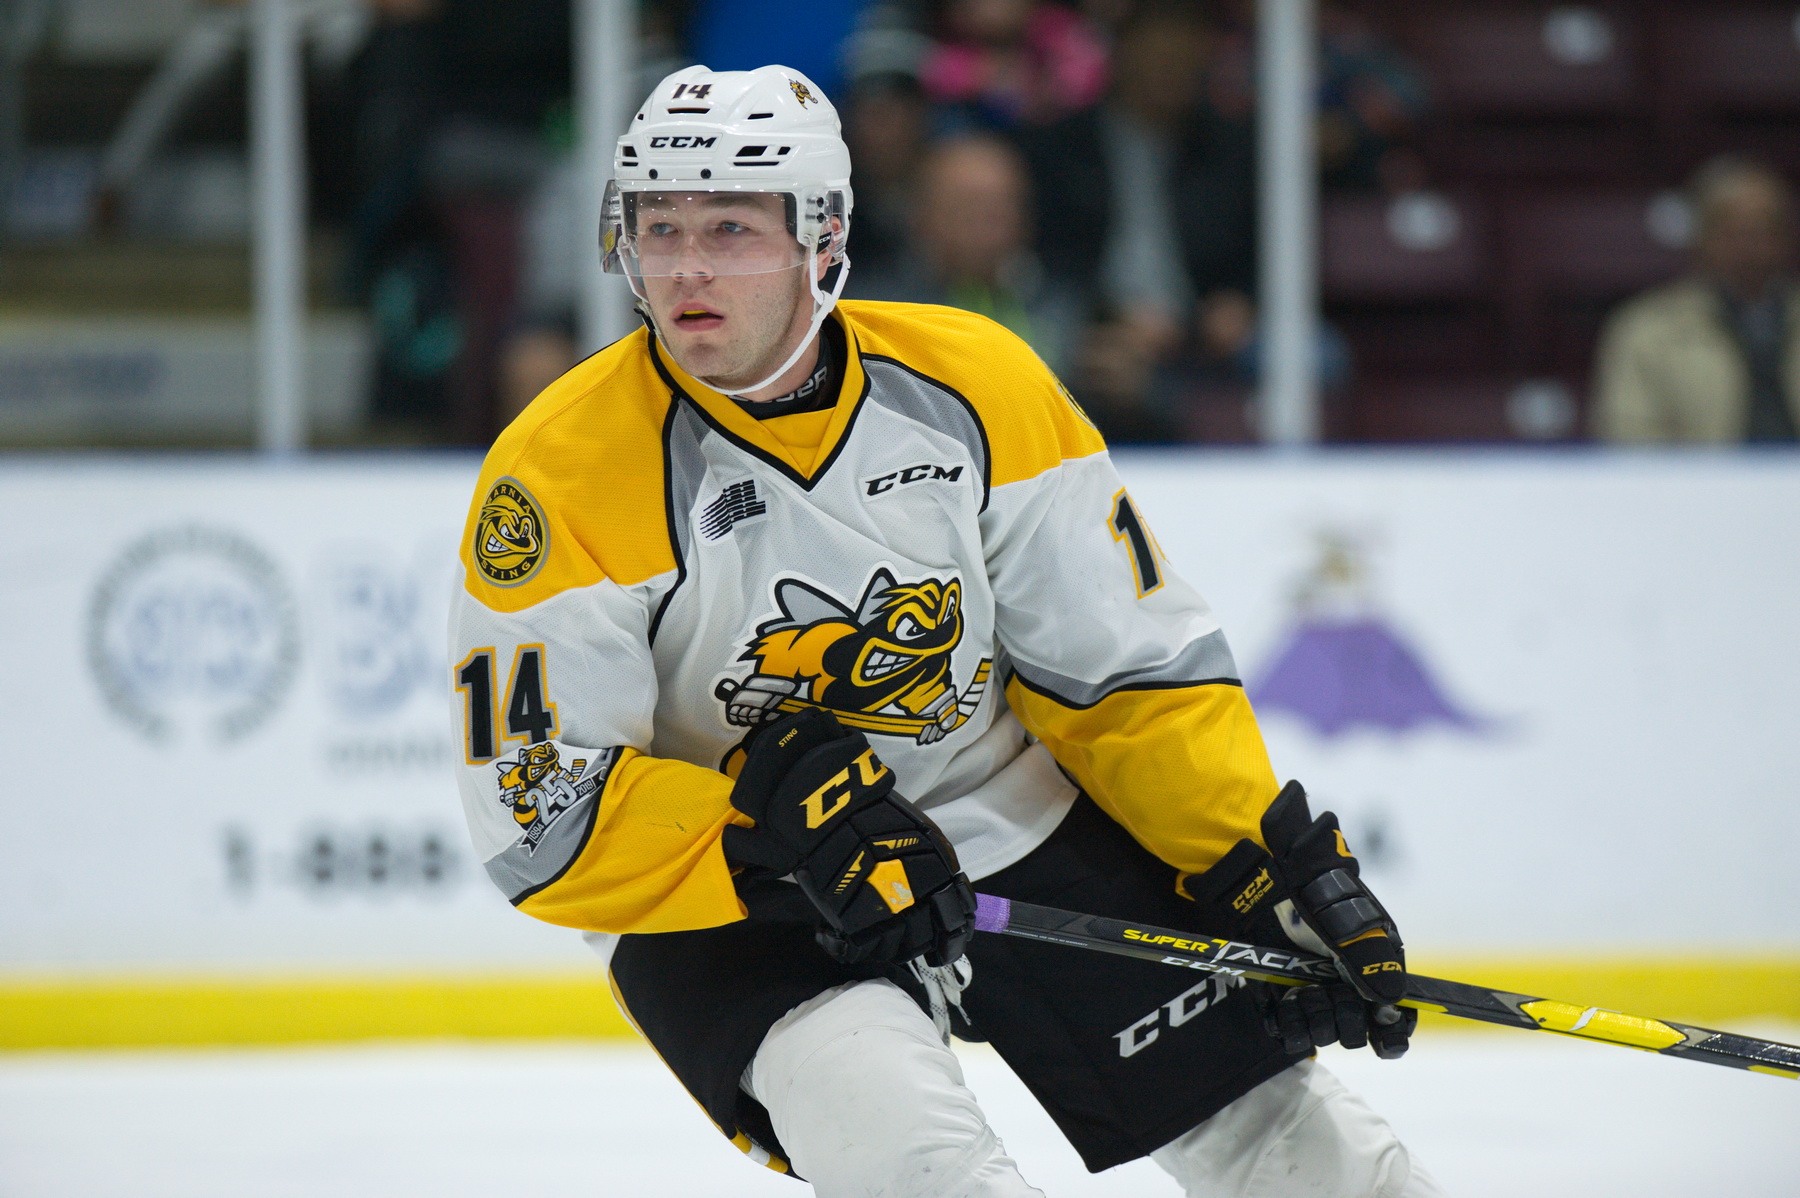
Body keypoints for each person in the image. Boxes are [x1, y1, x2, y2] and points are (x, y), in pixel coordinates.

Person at [450, 64, 1445, 1196]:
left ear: (823, 237)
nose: (684, 268)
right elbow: (537, 810)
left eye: (728, 227)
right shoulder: (559, 475)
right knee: (924, 1170)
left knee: (1305, 1152)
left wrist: (1254, 866)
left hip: (1000, 810)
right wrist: (762, 834)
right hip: (741, 892)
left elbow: (1124, 676)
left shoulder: (975, 384)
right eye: (657, 226)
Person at [1594, 157, 1800, 444]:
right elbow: (1629, 440)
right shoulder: (1646, 329)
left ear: (1788, 235)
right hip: (1696, 474)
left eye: (1765, 228)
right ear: (1702, 235)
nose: (1750, 245)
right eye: (1734, 230)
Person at [848, 132, 1080, 375]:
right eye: (971, 206)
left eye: (1006, 204)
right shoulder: (870, 318)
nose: (994, 222)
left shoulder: (1067, 312)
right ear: (921, 214)